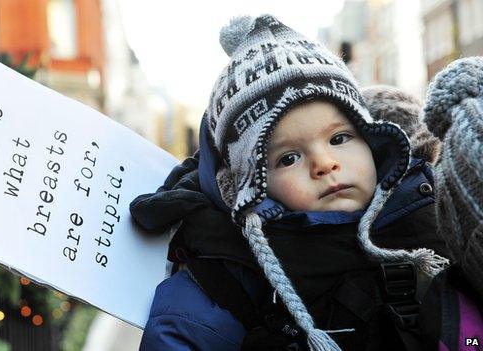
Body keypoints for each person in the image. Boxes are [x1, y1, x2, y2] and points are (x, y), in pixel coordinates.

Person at [130, 15, 451, 350]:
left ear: (371, 139)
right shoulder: (221, 288)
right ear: (250, 186)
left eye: (340, 138)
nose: (325, 164)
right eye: (288, 158)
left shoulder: (429, 215)